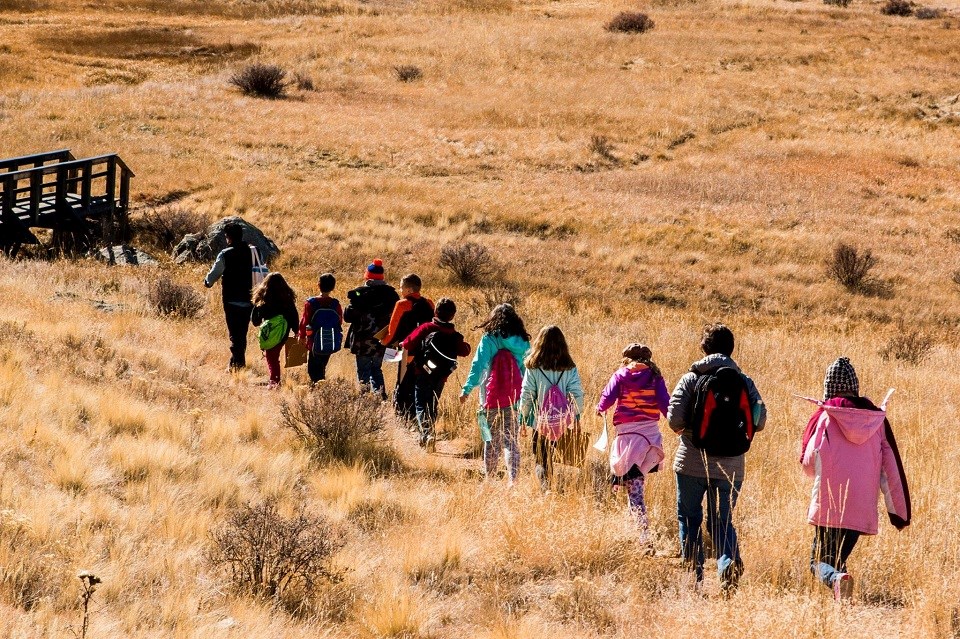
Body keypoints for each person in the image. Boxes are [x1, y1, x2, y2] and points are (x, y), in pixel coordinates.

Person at [800, 357, 911, 602]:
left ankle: (837, 580)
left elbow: (808, 462)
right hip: (861, 506)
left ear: (828, 387)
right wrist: (900, 514)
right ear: (855, 386)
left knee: (818, 561)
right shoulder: (876, 420)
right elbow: (892, 469)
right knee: (835, 557)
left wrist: (814, 471)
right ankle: (841, 594)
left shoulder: (825, 418)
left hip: (829, 503)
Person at [666, 323, 766, 592]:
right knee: (722, 521)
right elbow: (760, 420)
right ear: (731, 350)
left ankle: (694, 579)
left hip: (691, 462)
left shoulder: (691, 378)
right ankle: (727, 562)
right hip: (731, 466)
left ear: (704, 348)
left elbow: (674, 418)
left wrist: (686, 432)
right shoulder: (744, 382)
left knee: (689, 518)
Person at [596, 344, 670, 544]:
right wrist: (677, 426)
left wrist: (600, 408)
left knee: (634, 489)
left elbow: (607, 396)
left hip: (628, 439)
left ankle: (644, 536)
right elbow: (665, 404)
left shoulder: (620, 375)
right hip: (651, 439)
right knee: (635, 485)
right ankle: (636, 531)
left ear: (626, 359)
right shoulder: (655, 377)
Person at [459, 304, 531, 484]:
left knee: (490, 439)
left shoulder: (489, 338)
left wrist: (466, 389)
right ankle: (513, 481)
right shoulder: (522, 341)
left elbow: (478, 366)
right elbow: (527, 370)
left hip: (490, 398)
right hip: (515, 399)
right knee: (510, 441)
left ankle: (489, 479)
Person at [518, 326, 584, 490]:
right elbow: (576, 393)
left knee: (541, 458)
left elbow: (527, 394)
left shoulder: (533, 366)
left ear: (539, 343)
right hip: (562, 421)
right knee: (556, 456)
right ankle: (559, 486)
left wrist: (522, 419)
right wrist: (576, 418)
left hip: (540, 422)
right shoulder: (569, 366)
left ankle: (546, 488)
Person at [401, 298, 471, 452]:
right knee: (432, 404)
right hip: (441, 376)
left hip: (422, 372)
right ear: (452, 316)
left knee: (420, 404)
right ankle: (429, 432)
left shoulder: (427, 328)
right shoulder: (454, 335)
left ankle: (426, 434)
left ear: (435, 312)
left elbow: (407, 343)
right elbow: (465, 351)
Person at [380, 274, 435, 420]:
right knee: (421, 381)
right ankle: (420, 413)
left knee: (403, 380)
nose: (400, 289)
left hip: (406, 350)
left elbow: (392, 330)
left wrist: (383, 342)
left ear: (409, 289)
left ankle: (403, 415)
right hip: (426, 350)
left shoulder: (402, 304)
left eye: (402, 287)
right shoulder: (429, 303)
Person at [343, 259, 400, 399]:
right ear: (382, 277)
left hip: (362, 341)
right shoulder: (392, 295)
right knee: (376, 369)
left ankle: (364, 399)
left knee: (363, 370)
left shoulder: (360, 294)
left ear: (367, 276)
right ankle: (381, 397)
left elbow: (348, 317)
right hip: (383, 340)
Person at [203, 222, 253, 370]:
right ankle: (235, 364)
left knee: (235, 334)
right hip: (250, 298)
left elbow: (212, 276)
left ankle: (238, 365)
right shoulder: (253, 252)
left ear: (228, 237)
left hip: (231, 300)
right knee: (242, 333)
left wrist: (207, 282)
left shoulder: (225, 254)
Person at [250, 273, 299, 390]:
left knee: (271, 356)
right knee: (273, 355)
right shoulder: (287, 298)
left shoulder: (264, 297)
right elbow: (294, 315)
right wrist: (296, 330)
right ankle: (274, 380)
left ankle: (274, 381)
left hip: (269, 332)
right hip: (283, 332)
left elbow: (255, 319)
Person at [298, 273, 342, 383]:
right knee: (322, 365)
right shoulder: (335, 304)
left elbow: (305, 321)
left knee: (312, 369)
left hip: (314, 340)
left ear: (318, 285)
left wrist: (302, 336)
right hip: (330, 340)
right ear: (333, 287)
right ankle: (321, 385)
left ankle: (319, 387)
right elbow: (339, 321)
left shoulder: (310, 303)